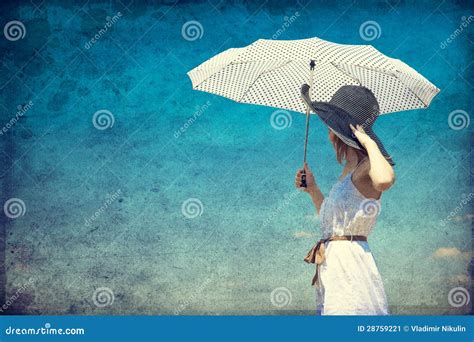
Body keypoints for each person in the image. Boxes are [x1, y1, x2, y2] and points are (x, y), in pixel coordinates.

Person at [296, 84, 395, 315]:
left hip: (350, 267)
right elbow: (333, 225)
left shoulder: (366, 166)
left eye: (330, 125)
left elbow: (385, 180)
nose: (329, 132)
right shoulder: (349, 170)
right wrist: (312, 189)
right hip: (333, 265)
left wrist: (369, 143)